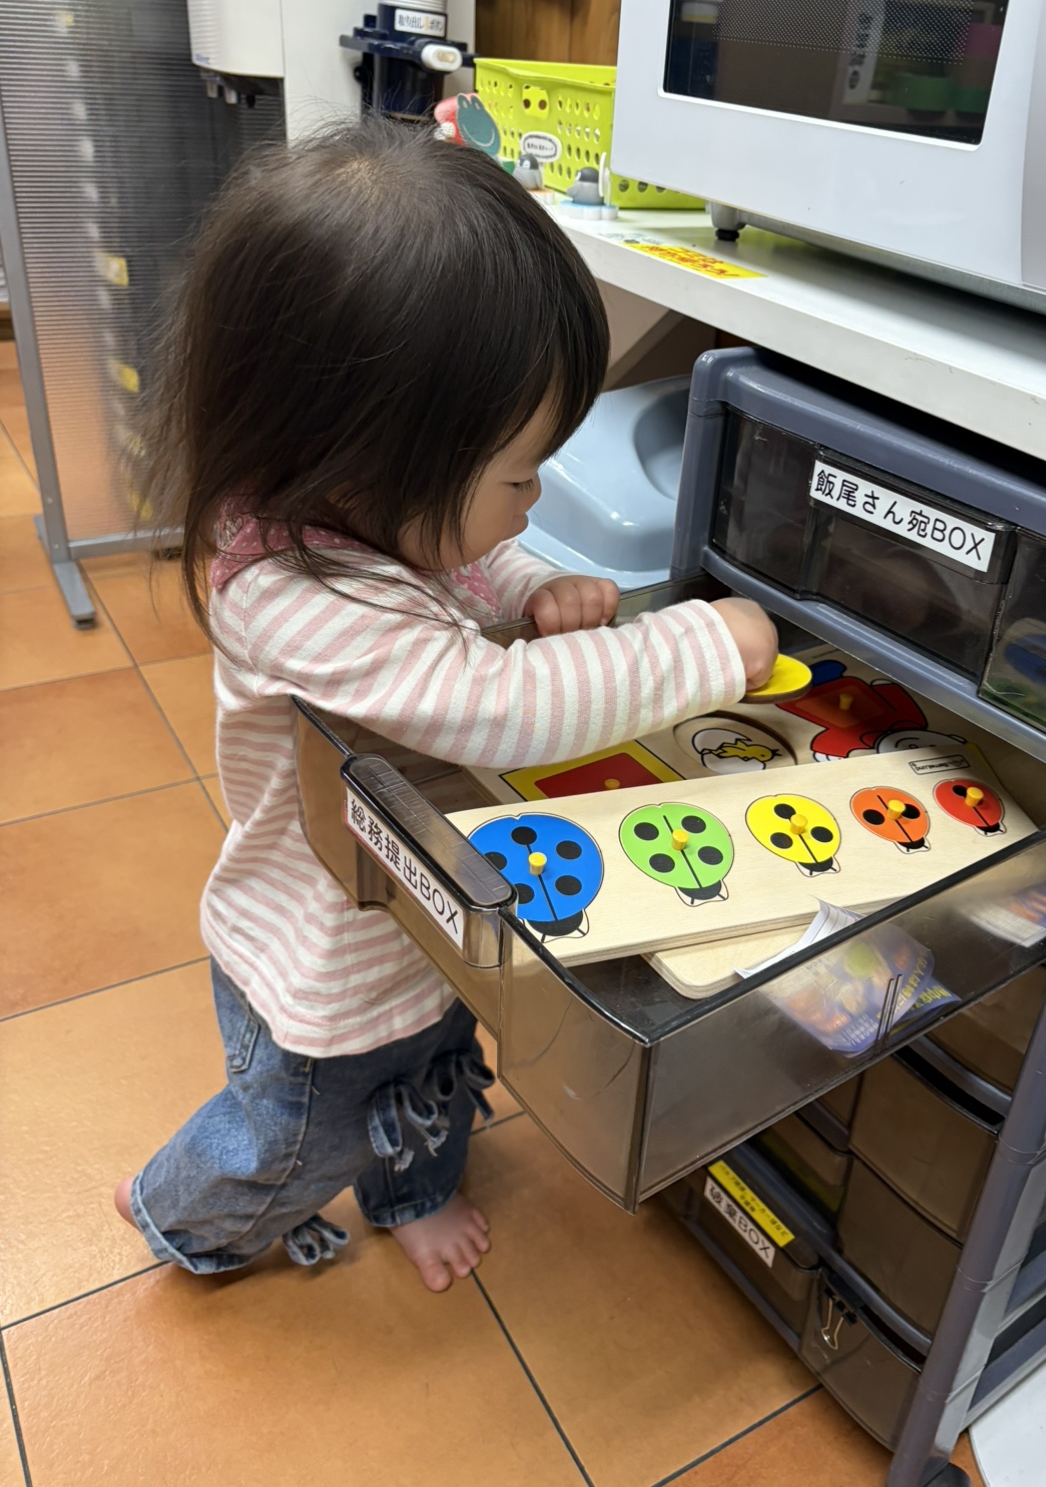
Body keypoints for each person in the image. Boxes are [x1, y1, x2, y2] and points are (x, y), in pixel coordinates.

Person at [115, 117, 777, 1293]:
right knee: (291, 1141)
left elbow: (466, 566)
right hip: (317, 976)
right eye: (519, 476)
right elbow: (498, 705)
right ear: (368, 464)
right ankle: (181, 1213)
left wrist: (530, 586)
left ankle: (411, 1192)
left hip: (411, 924)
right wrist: (698, 648)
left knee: (431, 1074)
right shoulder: (294, 598)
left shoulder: (361, 511)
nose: (535, 499)